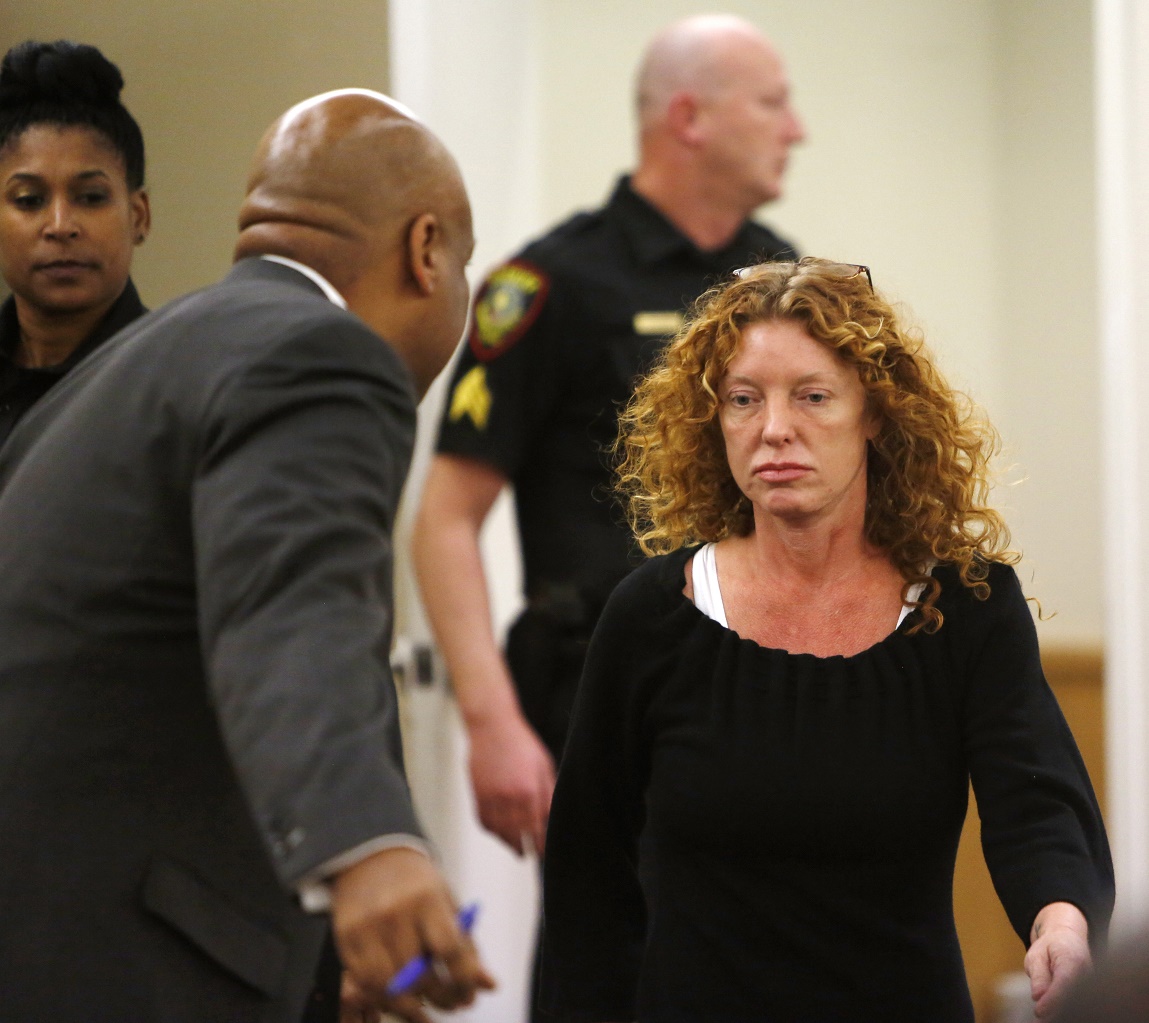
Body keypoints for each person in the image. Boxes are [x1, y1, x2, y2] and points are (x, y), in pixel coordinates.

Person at [0, 89, 492, 1022]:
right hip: (118, 969)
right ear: (426, 251)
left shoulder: (121, 368)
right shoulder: (319, 354)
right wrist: (367, 847)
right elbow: (287, 608)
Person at [540, 258, 1115, 1022]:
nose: (774, 428)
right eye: (743, 399)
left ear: (874, 413)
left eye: (811, 396)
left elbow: (1036, 802)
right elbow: (587, 880)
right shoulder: (652, 613)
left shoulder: (965, 608)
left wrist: (1060, 919)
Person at [413, 12, 804, 865]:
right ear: (688, 118)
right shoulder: (548, 285)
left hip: (761, 683)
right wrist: (490, 723)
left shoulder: (785, 279)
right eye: (773, 104)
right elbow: (444, 518)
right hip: (601, 691)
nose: (796, 129)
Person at [0, 39, 150, 447]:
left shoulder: (180, 382)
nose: (60, 226)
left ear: (139, 216)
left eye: (91, 198)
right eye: (29, 200)